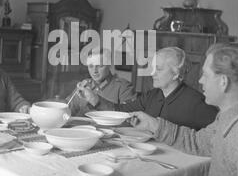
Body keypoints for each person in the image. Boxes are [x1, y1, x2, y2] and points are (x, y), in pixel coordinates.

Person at [130, 43, 238, 176]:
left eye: (205, 75)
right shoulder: (229, 116)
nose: (200, 80)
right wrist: (154, 125)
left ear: (223, 82)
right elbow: (197, 142)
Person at [77, 47, 218, 129]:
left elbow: (214, 137)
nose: (152, 73)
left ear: (175, 74)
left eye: (159, 69)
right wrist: (95, 99)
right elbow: (120, 111)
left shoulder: (197, 102)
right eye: (152, 68)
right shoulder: (152, 95)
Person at [68, 48, 136, 116]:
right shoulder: (84, 84)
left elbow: (129, 117)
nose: (94, 71)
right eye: (91, 66)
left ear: (109, 65)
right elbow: (67, 109)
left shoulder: (124, 87)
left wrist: (96, 100)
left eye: (100, 66)